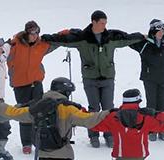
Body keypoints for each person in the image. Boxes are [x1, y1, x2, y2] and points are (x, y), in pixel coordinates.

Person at [41, 10, 144, 148]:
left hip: (107, 78)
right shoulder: (82, 38)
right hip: (90, 79)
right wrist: (46, 38)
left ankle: (109, 135)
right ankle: (93, 135)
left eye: (105, 23)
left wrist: (142, 36)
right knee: (93, 108)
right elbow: (64, 40)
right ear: (93, 22)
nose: (104, 26)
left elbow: (127, 38)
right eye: (102, 23)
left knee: (108, 107)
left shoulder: (111, 37)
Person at [8, 20, 58, 155]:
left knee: (38, 112)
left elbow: (58, 41)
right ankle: (26, 143)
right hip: (20, 84)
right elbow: (0, 54)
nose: (35, 35)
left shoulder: (41, 45)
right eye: (32, 33)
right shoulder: (14, 44)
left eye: (37, 32)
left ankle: (39, 140)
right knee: (24, 113)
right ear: (26, 32)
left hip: (36, 83)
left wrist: (67, 33)